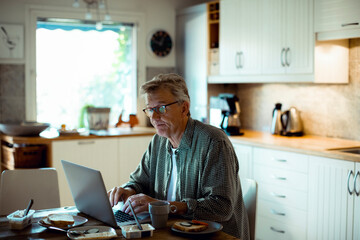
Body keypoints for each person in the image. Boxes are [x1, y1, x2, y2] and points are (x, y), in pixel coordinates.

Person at [107, 73, 249, 239]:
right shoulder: (158, 142)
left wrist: (167, 206)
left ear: (184, 108)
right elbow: (139, 181)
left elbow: (222, 207)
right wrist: (128, 191)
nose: (153, 117)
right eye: (150, 109)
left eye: (161, 108)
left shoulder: (213, 142)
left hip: (216, 235)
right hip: (172, 231)